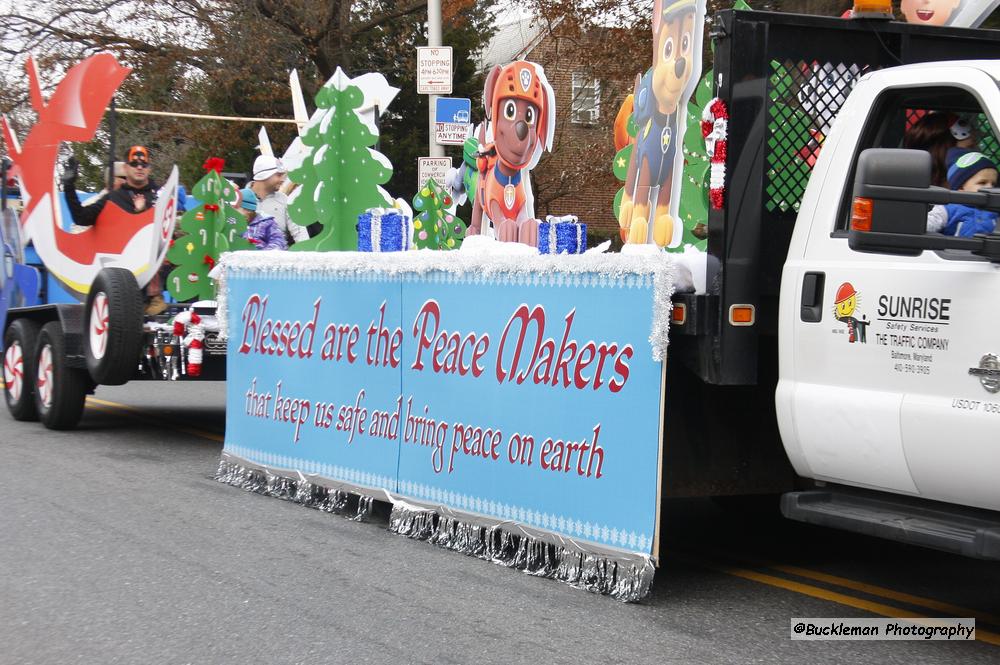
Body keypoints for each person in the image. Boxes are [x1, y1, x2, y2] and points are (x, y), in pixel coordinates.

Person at [62, 146, 168, 314]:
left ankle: (155, 297)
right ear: (126, 168)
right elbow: (81, 218)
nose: (139, 167)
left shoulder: (161, 196)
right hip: (120, 282)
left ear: (149, 168)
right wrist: (69, 187)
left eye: (144, 164)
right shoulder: (114, 197)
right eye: (134, 164)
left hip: (153, 277)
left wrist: (143, 212)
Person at [927, 148, 999, 236]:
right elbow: (928, 224)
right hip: (955, 249)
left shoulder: (995, 210)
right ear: (961, 187)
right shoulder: (948, 209)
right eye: (982, 182)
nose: (990, 187)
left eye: (993, 184)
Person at [246, 155, 308, 245]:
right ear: (263, 175)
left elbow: (301, 236)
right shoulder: (238, 199)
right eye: (279, 175)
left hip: (277, 256)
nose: (283, 179)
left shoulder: (286, 201)